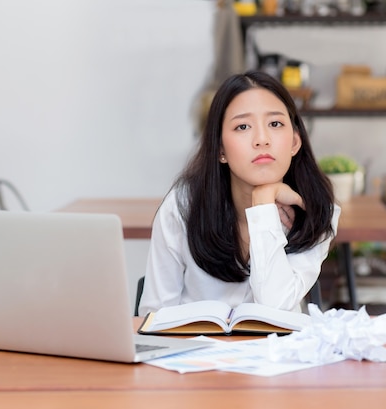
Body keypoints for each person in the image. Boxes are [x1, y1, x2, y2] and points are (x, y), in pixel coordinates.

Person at [138, 71, 340, 316]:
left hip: (275, 352)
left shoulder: (315, 210)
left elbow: (274, 308)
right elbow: (154, 314)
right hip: (194, 351)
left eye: (275, 124)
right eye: (242, 126)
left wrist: (263, 206)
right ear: (220, 149)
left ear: (295, 142)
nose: (262, 139)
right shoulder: (183, 205)